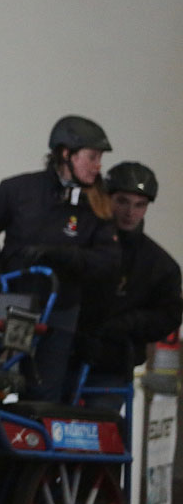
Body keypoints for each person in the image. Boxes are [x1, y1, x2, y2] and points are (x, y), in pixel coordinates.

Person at [0, 115, 121, 402]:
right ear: (66, 154)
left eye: (100, 158)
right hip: (9, 300)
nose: (98, 166)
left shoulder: (97, 206)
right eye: (92, 157)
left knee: (42, 392)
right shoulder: (18, 190)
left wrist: (64, 256)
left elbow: (108, 261)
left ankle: (24, 444)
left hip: (59, 311)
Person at [70, 162, 182, 409]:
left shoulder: (160, 265)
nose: (130, 212)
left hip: (112, 364)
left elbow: (169, 315)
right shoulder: (78, 245)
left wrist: (127, 324)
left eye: (139, 204)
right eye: (122, 201)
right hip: (63, 358)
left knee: (100, 430)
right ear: (107, 199)